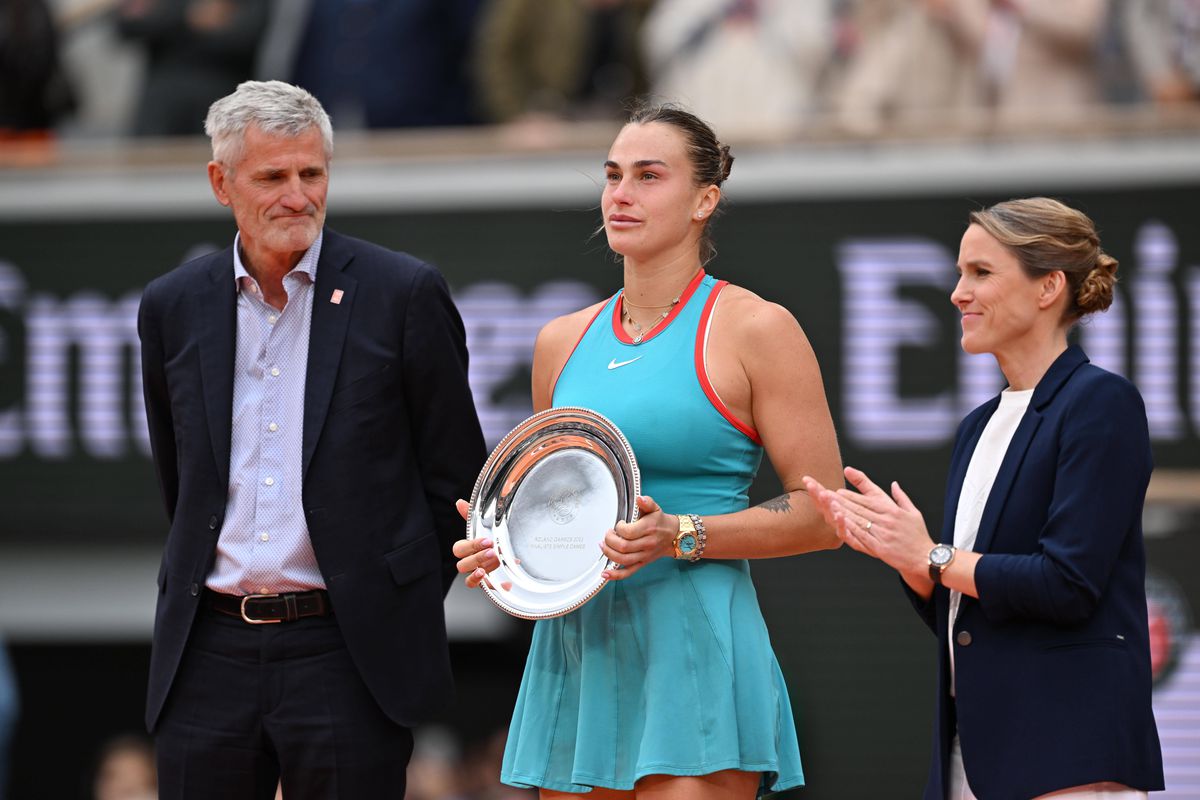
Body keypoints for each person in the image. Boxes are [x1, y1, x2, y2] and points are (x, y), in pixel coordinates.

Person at [454, 104, 844, 798]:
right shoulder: (560, 342)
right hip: (580, 654)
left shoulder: (757, 328)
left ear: (704, 200)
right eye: (611, 176)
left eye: (648, 176)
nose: (620, 194)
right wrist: (506, 548)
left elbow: (824, 515)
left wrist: (679, 535)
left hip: (693, 645)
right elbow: (559, 503)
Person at [138, 80, 486, 799]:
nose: (297, 196)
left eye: (312, 174)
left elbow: (457, 480)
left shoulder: (404, 294)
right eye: (272, 177)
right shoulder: (171, 306)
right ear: (220, 182)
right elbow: (183, 479)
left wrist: (390, 598)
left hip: (348, 650)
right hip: (207, 648)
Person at [804, 198, 1165, 799]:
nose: (957, 294)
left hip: (1069, 754)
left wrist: (934, 558)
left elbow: (1068, 583)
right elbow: (970, 612)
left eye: (981, 273)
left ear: (1049, 286)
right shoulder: (979, 425)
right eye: (958, 273)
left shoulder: (1101, 402)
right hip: (972, 755)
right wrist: (909, 560)